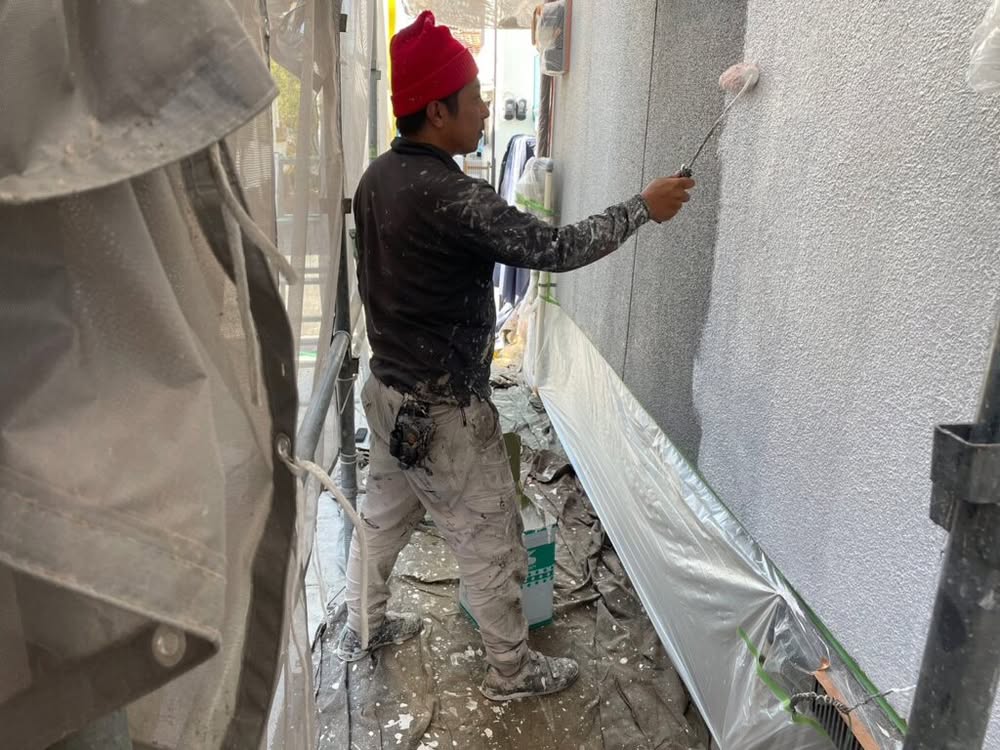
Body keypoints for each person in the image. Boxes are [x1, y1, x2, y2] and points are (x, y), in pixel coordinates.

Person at [337, 10, 694, 702]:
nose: (484, 109)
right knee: (491, 545)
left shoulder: (377, 178)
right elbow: (555, 248)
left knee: (378, 522)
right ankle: (511, 673)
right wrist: (643, 207)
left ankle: (365, 627)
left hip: (388, 395)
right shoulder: (451, 195)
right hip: (442, 414)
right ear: (437, 110)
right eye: (473, 97)